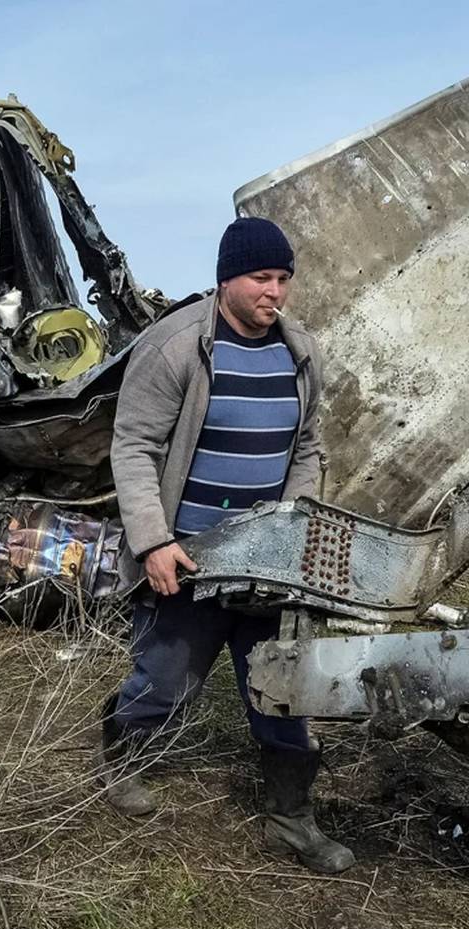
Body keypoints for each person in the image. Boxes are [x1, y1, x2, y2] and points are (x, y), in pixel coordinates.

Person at [97, 216, 353, 875]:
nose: (276, 293)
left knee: (281, 688)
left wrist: (291, 522)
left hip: (264, 562)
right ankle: (122, 762)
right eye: (262, 278)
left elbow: (308, 448)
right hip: (188, 558)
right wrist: (153, 542)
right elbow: (133, 448)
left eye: (284, 279)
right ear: (227, 280)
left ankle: (290, 819)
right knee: (166, 682)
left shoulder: (302, 352)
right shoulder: (177, 345)